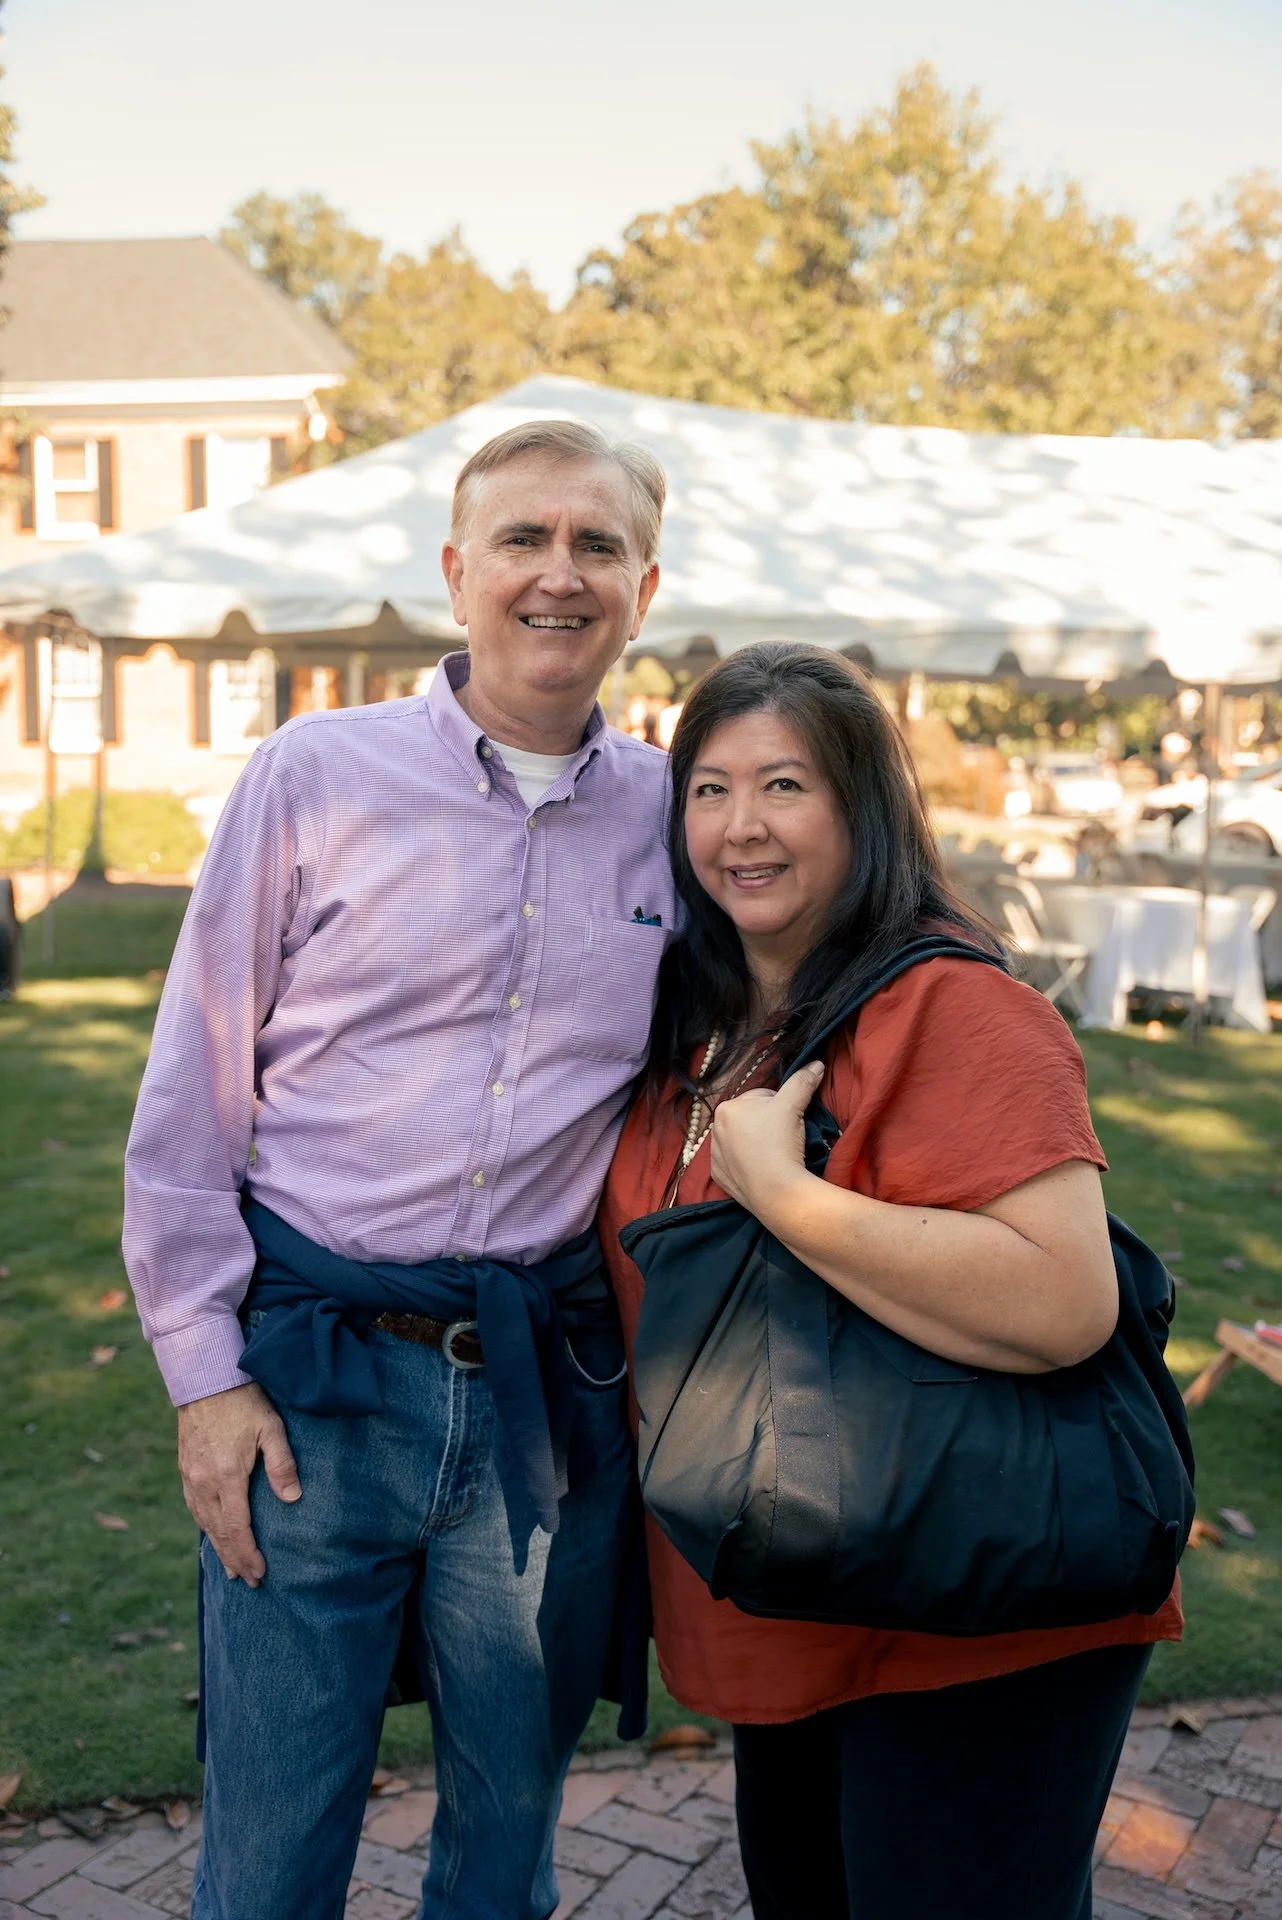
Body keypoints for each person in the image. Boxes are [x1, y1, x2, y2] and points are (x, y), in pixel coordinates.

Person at [122, 418, 676, 1920]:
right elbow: (191, 1094)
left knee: (505, 1854)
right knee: (271, 1857)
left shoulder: (677, 817)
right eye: (522, 539)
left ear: (644, 581)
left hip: (536, 1412)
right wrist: (203, 1380)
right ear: (457, 572)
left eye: (595, 545)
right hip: (311, 1395)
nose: (556, 575)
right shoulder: (316, 773)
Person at [598, 642, 1182, 1920]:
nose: (741, 826)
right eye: (708, 788)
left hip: (970, 1605)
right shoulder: (700, 1026)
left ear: (863, 810)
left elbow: (1063, 1297)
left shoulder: (949, 1010)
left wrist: (791, 1196)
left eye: (785, 786)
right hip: (797, 1587)